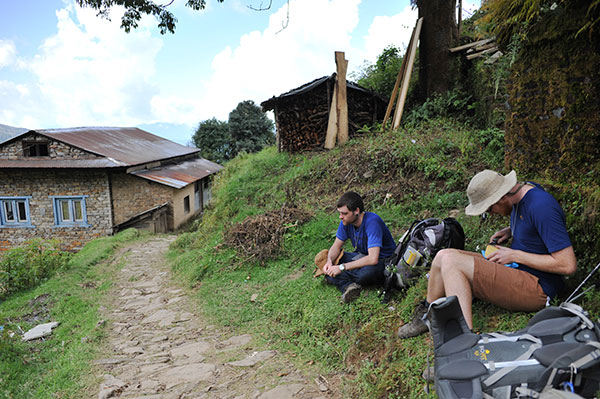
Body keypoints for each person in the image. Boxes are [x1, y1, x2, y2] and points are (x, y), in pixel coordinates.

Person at [397, 170, 577, 338]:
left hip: (539, 287)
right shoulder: (521, 194)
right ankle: (428, 315)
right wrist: (510, 231)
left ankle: (463, 340)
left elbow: (567, 265)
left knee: (452, 262)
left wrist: (515, 255)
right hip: (517, 270)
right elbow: (534, 226)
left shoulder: (541, 206)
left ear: (501, 197)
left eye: (490, 209)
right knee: (443, 255)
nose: (491, 214)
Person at [321, 191, 396, 303]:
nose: (341, 217)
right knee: (329, 258)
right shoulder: (345, 222)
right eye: (340, 213)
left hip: (383, 261)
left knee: (365, 274)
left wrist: (341, 267)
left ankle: (340, 279)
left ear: (356, 211)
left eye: (344, 213)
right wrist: (329, 262)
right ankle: (348, 286)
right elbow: (336, 246)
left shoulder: (372, 222)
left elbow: (373, 258)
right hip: (361, 256)